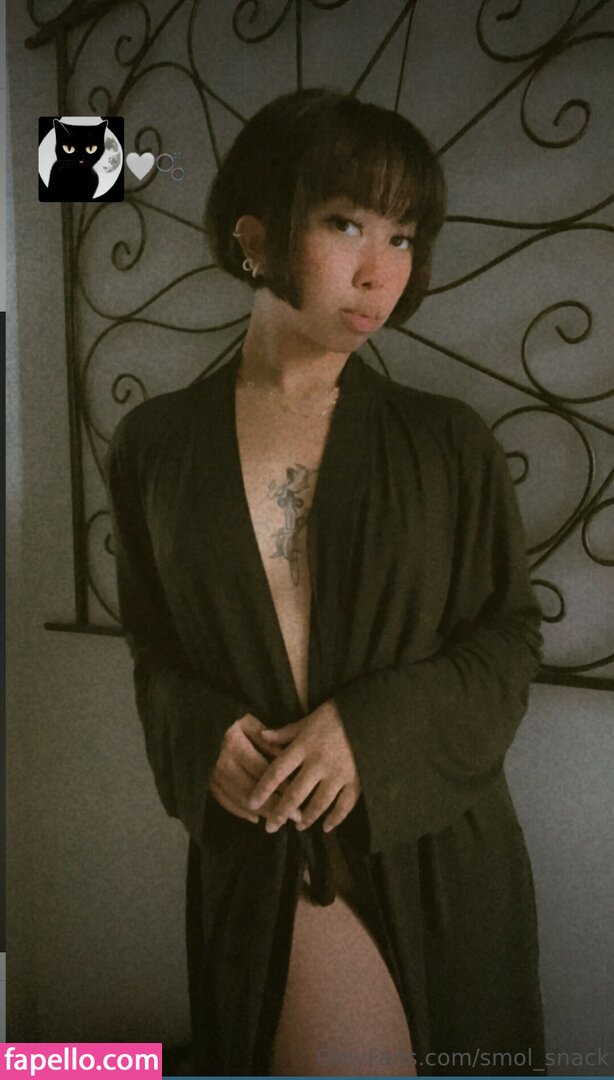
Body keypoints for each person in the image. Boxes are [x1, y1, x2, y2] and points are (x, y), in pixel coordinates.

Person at [105, 88, 548, 1077]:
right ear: (256, 236)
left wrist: (370, 730)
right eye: (345, 222)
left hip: (433, 841)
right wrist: (202, 732)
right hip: (265, 844)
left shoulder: (447, 442)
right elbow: (153, 644)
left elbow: (509, 635)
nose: (378, 270)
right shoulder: (155, 446)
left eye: (403, 236)